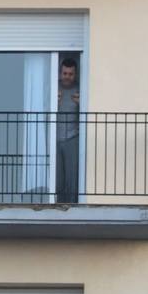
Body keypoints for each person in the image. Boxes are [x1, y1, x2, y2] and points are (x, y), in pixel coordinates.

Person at [55, 57, 82, 203]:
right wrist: (53, 102)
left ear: (75, 74)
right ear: (60, 73)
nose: (67, 77)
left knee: (72, 175)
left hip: (73, 136)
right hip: (55, 137)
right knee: (57, 175)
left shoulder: (80, 89)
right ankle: (58, 204)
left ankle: (71, 205)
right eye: (65, 73)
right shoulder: (54, 88)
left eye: (70, 74)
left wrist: (82, 103)